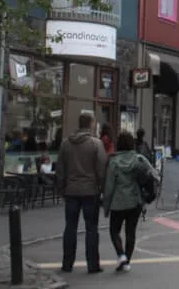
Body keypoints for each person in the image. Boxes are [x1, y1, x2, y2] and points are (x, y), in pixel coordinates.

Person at [57, 113, 107, 274]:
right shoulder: (95, 144)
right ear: (91, 124)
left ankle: (67, 263)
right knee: (91, 228)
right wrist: (104, 189)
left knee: (70, 227)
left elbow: (60, 169)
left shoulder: (66, 144)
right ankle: (92, 264)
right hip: (90, 191)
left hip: (71, 190)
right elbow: (101, 169)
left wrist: (61, 188)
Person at [103, 130, 158, 272]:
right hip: (135, 201)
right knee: (130, 232)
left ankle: (120, 254)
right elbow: (153, 175)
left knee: (114, 230)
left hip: (118, 201)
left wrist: (106, 205)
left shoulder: (113, 162)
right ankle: (127, 260)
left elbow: (109, 186)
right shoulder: (138, 159)